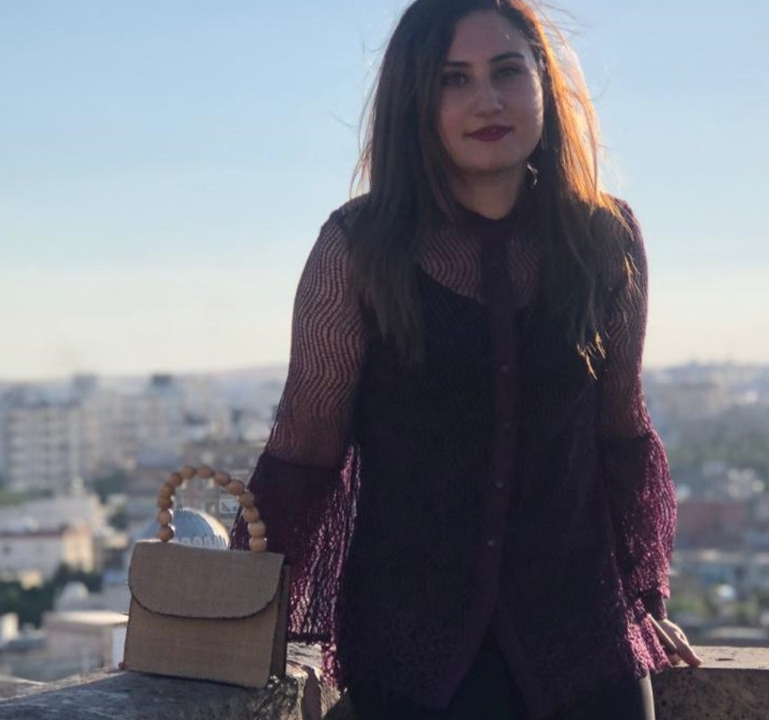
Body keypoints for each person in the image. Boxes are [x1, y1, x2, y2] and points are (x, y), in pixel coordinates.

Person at [229, 0, 700, 717]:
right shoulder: (360, 249)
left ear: (544, 85)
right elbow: (305, 451)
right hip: (414, 661)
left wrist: (642, 599)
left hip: (586, 653)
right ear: (416, 101)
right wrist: (240, 612)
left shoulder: (605, 238)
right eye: (454, 79)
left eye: (507, 72)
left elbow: (620, 431)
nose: (487, 101)